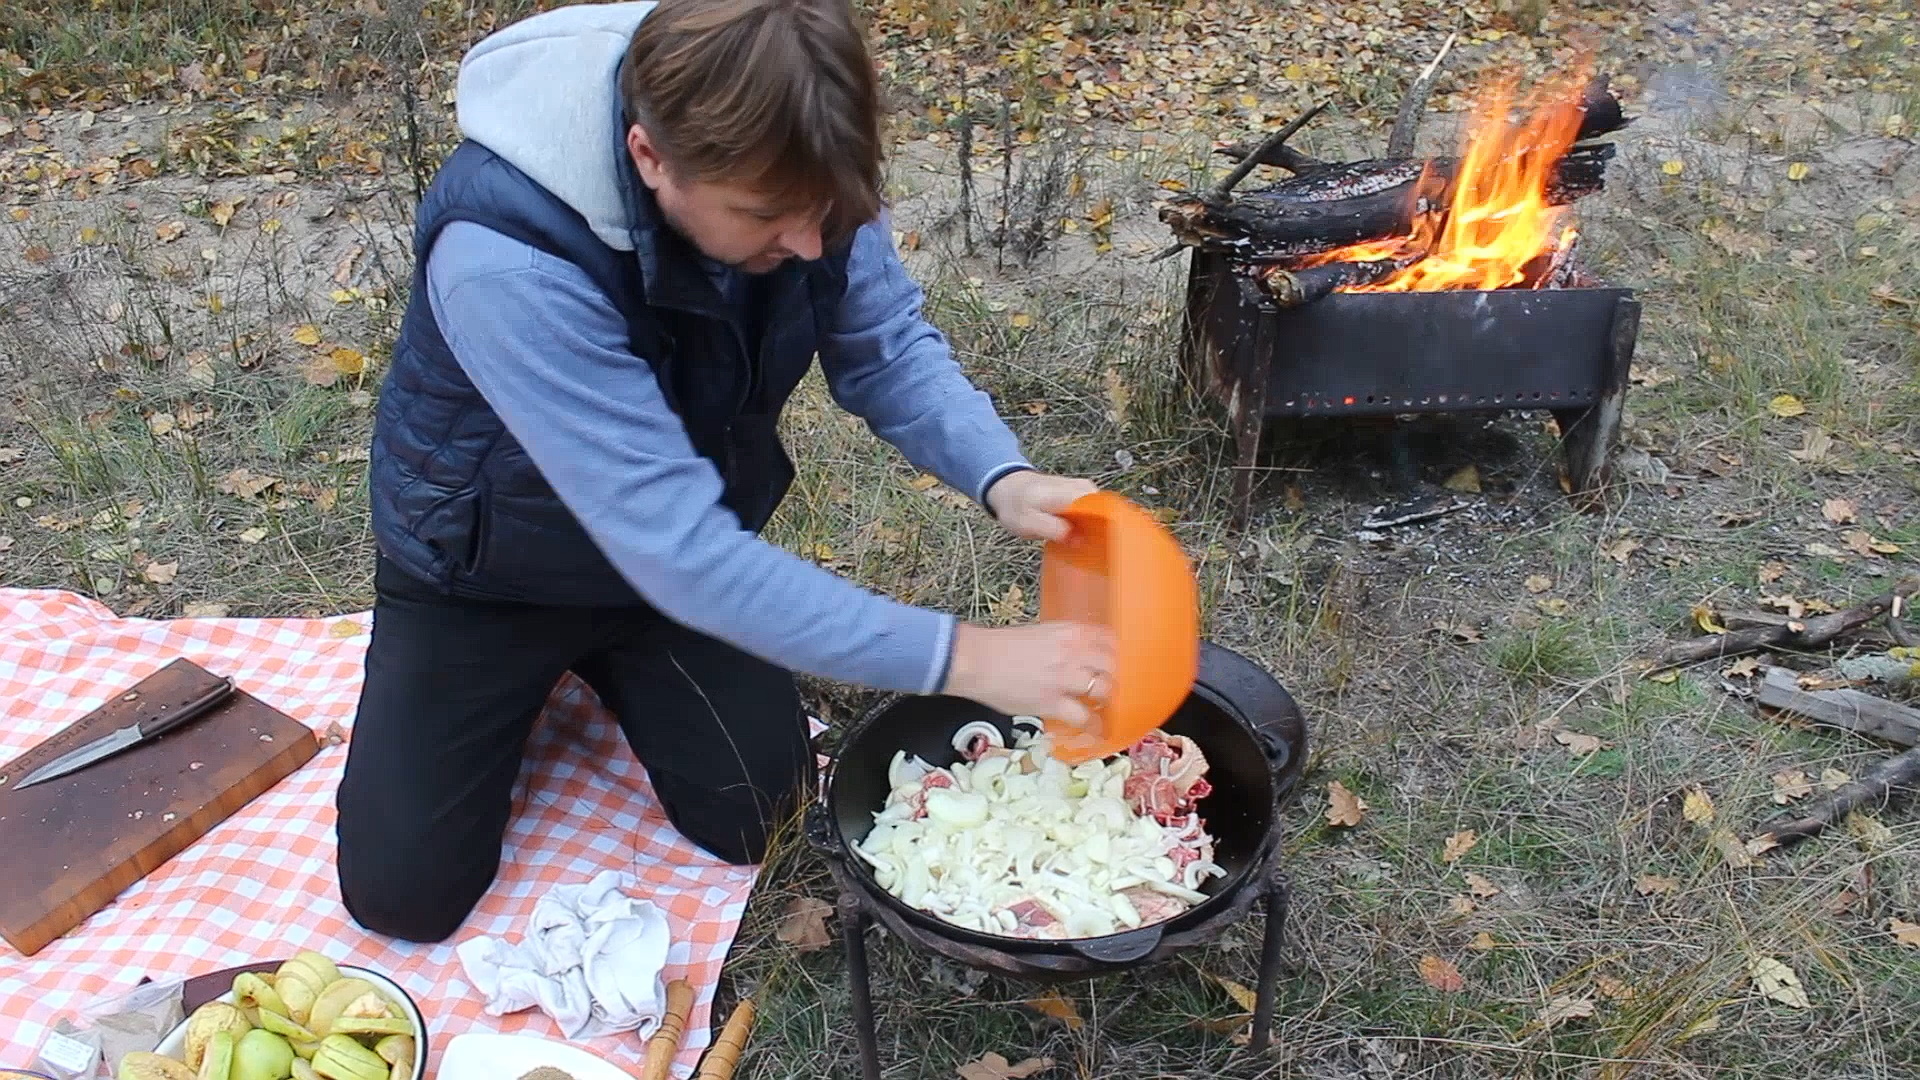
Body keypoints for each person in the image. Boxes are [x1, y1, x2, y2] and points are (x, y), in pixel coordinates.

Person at [334, 0, 1117, 943]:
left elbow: (882, 345)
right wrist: (973, 660)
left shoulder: (797, 154)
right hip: (489, 571)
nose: (810, 245)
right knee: (403, 900)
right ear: (649, 156)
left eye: (827, 213)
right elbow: (685, 552)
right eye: (766, 218)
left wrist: (1003, 476)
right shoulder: (508, 262)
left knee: (762, 812)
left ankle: (612, 665)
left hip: (667, 565)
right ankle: (525, 679)